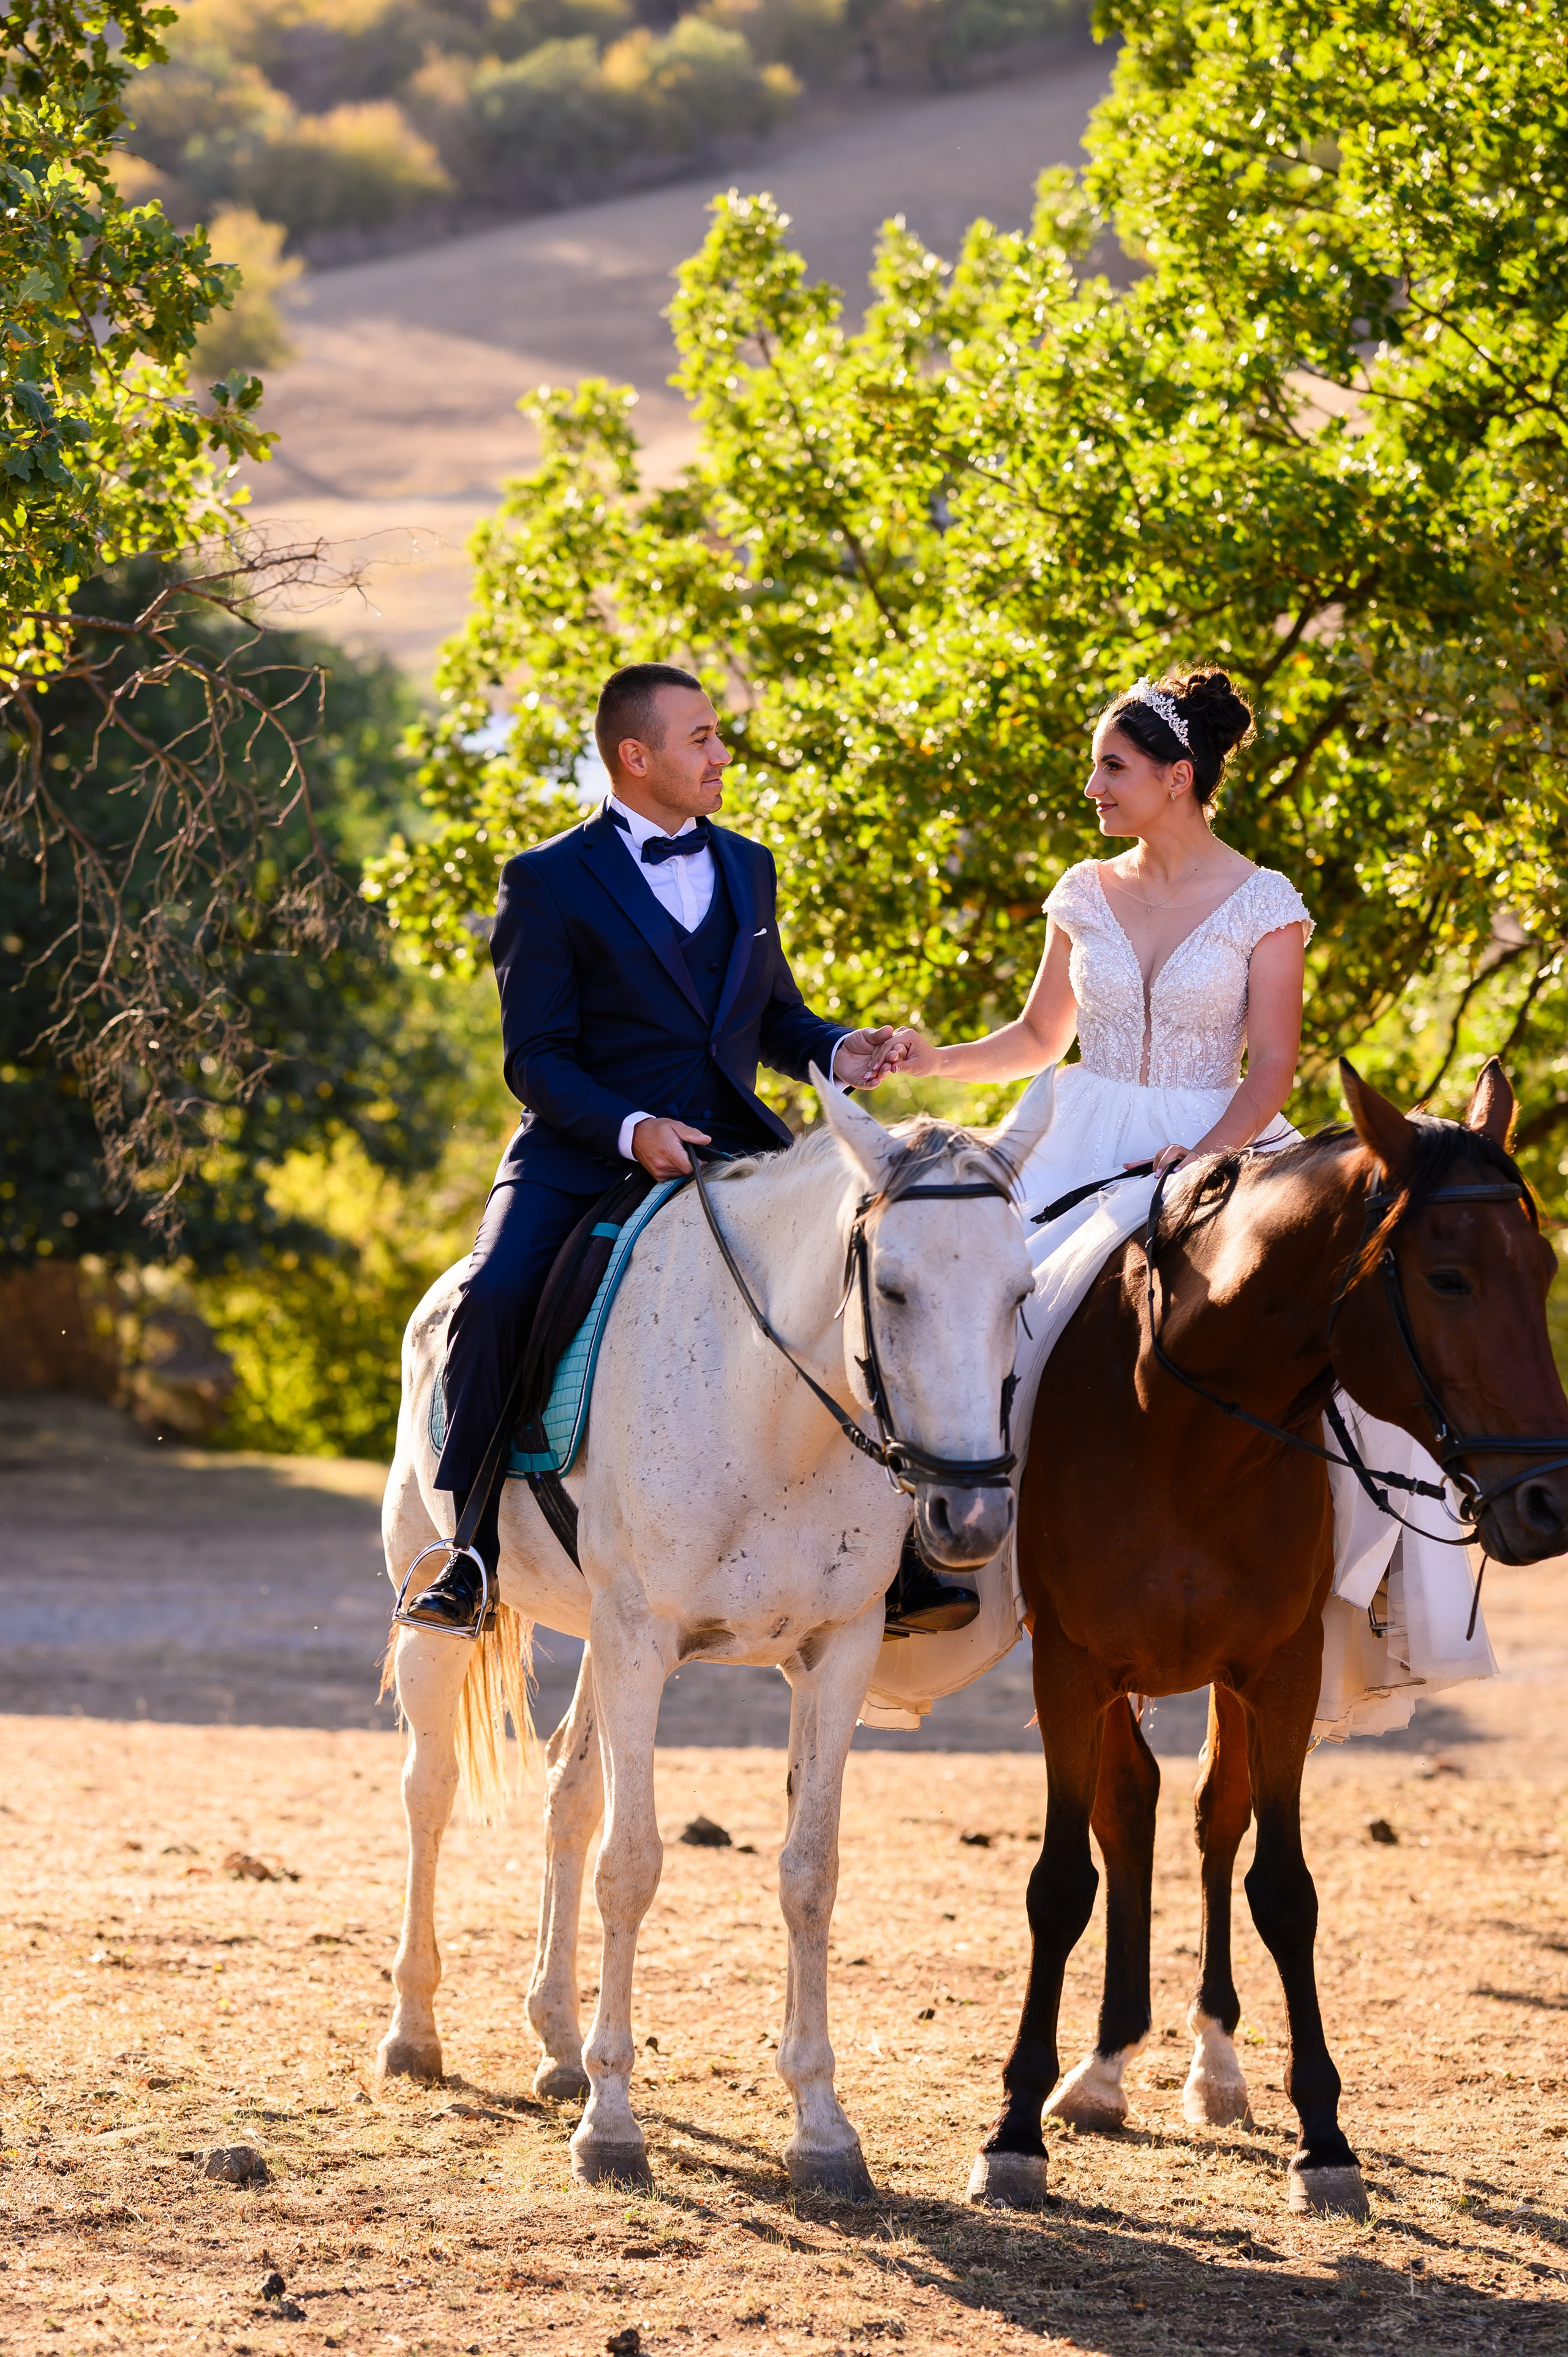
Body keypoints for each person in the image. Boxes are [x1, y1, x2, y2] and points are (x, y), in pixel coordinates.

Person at [885, 666, 1498, 1737]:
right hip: (1086, 1138)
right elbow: (1038, 1041)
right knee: (988, 1311)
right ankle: (932, 1566)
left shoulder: (1266, 905)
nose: (1093, 787)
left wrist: (1203, 1160)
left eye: (1112, 768)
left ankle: (1382, 1585)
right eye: (1094, 768)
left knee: (1342, 1337)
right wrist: (923, 1057)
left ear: (1177, 778)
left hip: (1224, 1148)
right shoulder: (1084, 891)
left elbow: (1273, 1066)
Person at [405, 661, 973, 1638]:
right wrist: (633, 1128)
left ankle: (906, 1553)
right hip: (583, 1149)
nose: (722, 754)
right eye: (701, 738)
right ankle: (469, 1551)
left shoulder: (750, 863)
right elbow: (534, 1058)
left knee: (879, 1276)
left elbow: (773, 1020)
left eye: (718, 735)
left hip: (735, 1143)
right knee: (495, 1293)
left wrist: (840, 1047)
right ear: (638, 757)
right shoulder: (544, 881)